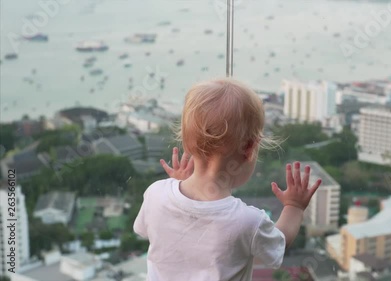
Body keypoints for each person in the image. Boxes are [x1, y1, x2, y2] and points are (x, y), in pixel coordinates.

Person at [133, 78, 322, 281]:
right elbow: (279, 245)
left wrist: (179, 186)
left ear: (186, 143)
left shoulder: (156, 193)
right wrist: (294, 207)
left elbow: (148, 231)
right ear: (249, 149)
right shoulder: (247, 222)